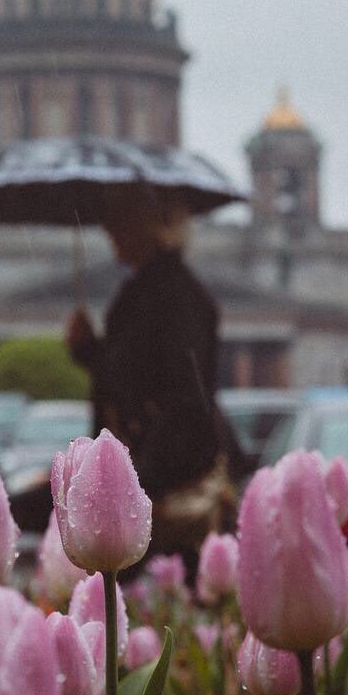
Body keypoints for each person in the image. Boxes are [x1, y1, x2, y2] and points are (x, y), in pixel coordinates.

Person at [66, 184, 245, 551]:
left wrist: (135, 479)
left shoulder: (174, 296)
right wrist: (90, 351)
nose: (108, 229)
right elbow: (136, 376)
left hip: (168, 482)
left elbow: (181, 395)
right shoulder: (148, 290)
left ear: (147, 223)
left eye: (117, 217)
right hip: (150, 474)